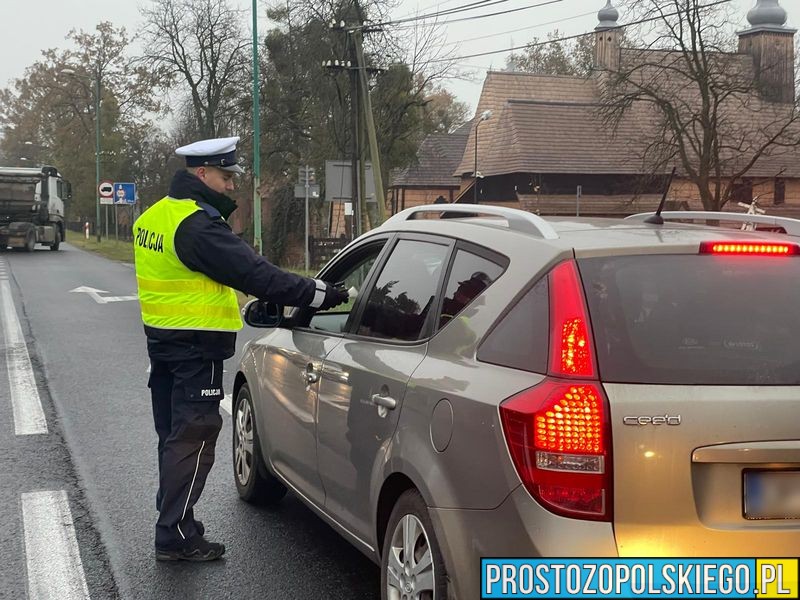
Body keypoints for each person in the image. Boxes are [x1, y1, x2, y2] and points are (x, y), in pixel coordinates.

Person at [132, 136, 348, 562]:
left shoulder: (155, 216)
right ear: (202, 174)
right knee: (193, 438)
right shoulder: (196, 225)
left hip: (164, 343)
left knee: (173, 437)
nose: (232, 186)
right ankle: (175, 536)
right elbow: (256, 274)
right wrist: (320, 294)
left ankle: (176, 518)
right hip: (196, 348)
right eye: (226, 176)